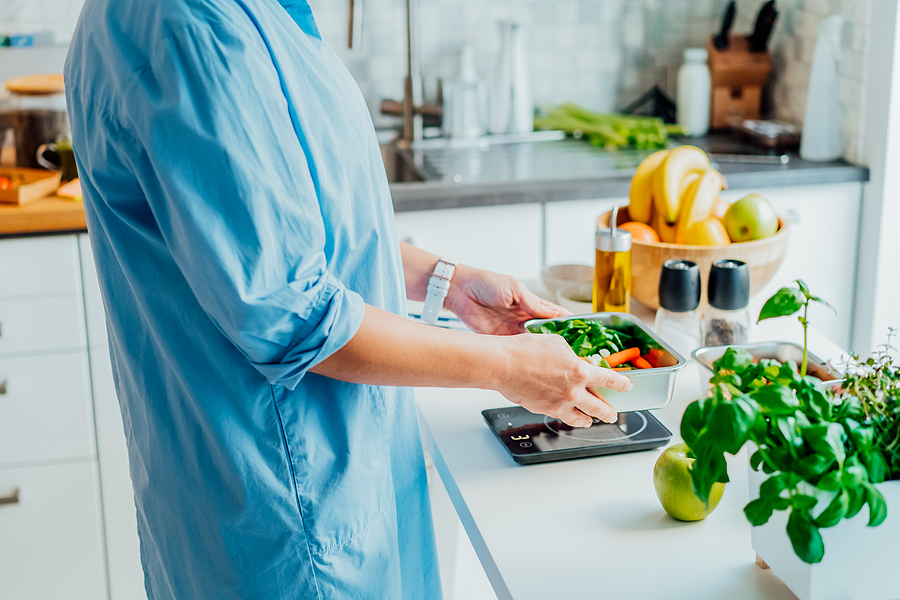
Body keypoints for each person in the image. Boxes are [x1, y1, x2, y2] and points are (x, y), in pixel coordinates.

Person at [64, 0, 632, 598]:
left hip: (312, 478)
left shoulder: (248, 16)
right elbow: (293, 314)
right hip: (293, 506)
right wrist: (508, 368)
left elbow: (289, 238)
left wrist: (448, 282)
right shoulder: (191, 26)